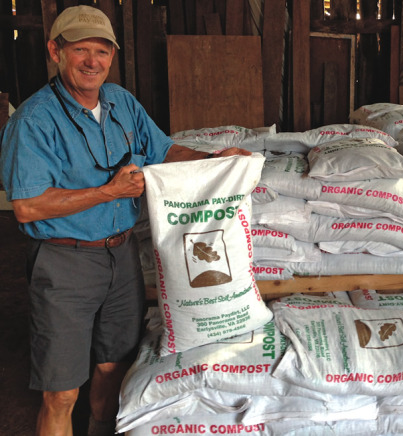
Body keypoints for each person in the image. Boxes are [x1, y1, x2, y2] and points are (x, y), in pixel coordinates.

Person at [0, 5, 250, 436]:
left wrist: (213, 160)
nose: (92, 62)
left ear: (112, 56)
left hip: (121, 257)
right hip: (64, 263)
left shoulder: (121, 103)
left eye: (101, 51)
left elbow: (165, 151)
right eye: (80, 50)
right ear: (55, 51)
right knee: (60, 391)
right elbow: (28, 206)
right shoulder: (33, 121)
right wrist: (108, 192)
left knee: (113, 366)